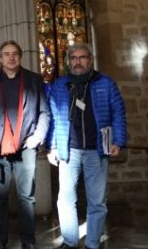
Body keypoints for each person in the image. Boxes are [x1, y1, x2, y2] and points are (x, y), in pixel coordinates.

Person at [46, 42, 127, 249]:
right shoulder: (60, 85)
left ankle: (92, 243)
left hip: (96, 150)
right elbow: (53, 118)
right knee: (65, 200)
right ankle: (70, 241)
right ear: (68, 62)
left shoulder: (105, 83)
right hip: (69, 150)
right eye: (73, 58)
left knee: (97, 201)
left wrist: (118, 140)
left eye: (82, 58)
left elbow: (118, 111)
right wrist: (52, 146)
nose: (78, 62)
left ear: (90, 60)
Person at [0, 40, 51, 249]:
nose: (11, 57)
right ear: (0, 58)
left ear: (20, 56)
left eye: (15, 53)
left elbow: (44, 112)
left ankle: (28, 241)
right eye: (6, 54)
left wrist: (38, 137)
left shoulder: (34, 80)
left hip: (26, 147)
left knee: (27, 198)